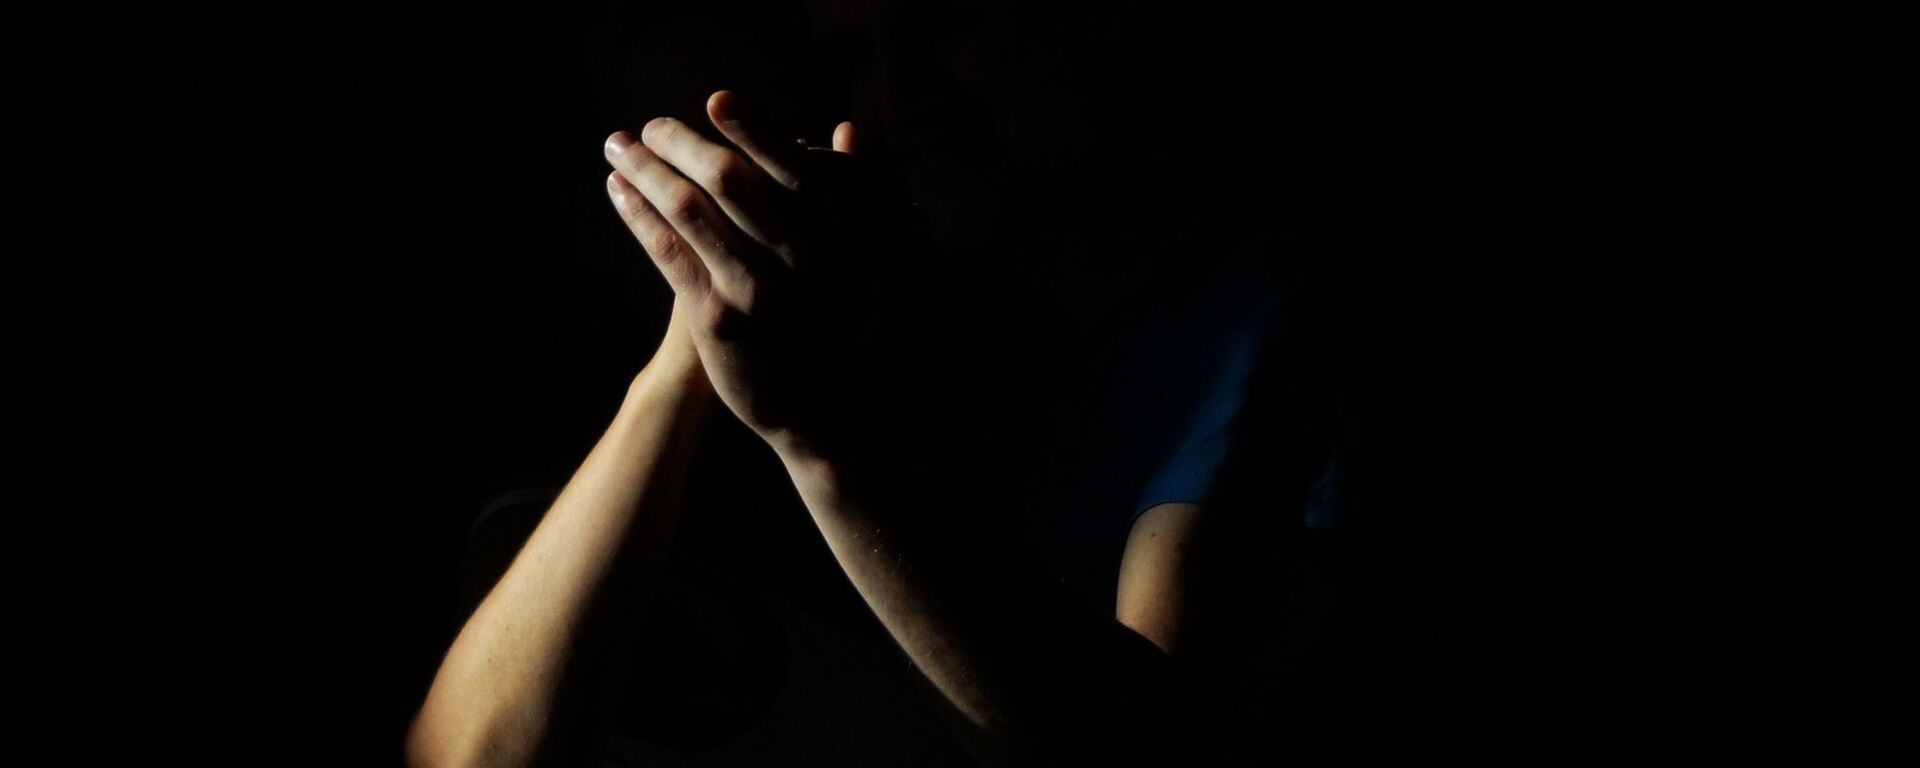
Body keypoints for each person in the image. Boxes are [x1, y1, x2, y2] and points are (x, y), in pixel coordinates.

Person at [408, 5, 1381, 765]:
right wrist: (693, 338)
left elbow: (1145, 748)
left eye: (953, 21)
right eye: (857, 55)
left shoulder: (1263, 312)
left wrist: (822, 423)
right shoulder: (1020, 364)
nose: (901, 99)